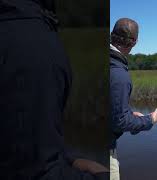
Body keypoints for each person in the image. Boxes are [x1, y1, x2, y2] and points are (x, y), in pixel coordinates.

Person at [0, 0, 108, 179]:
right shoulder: (27, 42)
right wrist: (101, 175)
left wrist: (67, 159)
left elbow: (17, 145)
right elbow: (33, 171)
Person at [110, 18, 157, 180]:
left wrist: (131, 115)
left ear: (111, 35)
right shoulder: (119, 75)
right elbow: (119, 122)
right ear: (135, 42)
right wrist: (149, 120)